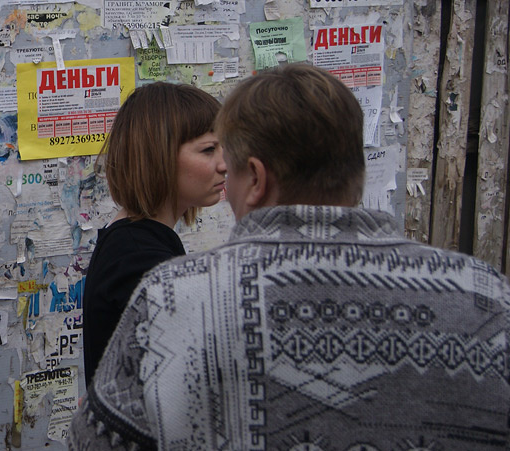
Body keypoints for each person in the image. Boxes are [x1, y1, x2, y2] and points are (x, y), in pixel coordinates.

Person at [71, 64, 510, 450]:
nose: (223, 169)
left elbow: (97, 439)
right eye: (210, 150)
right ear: (356, 166)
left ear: (256, 179)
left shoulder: (176, 294)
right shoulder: (487, 293)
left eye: (230, 157)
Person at [81, 82, 226, 388]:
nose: (224, 164)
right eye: (209, 149)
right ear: (158, 157)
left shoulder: (136, 243)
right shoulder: (140, 261)